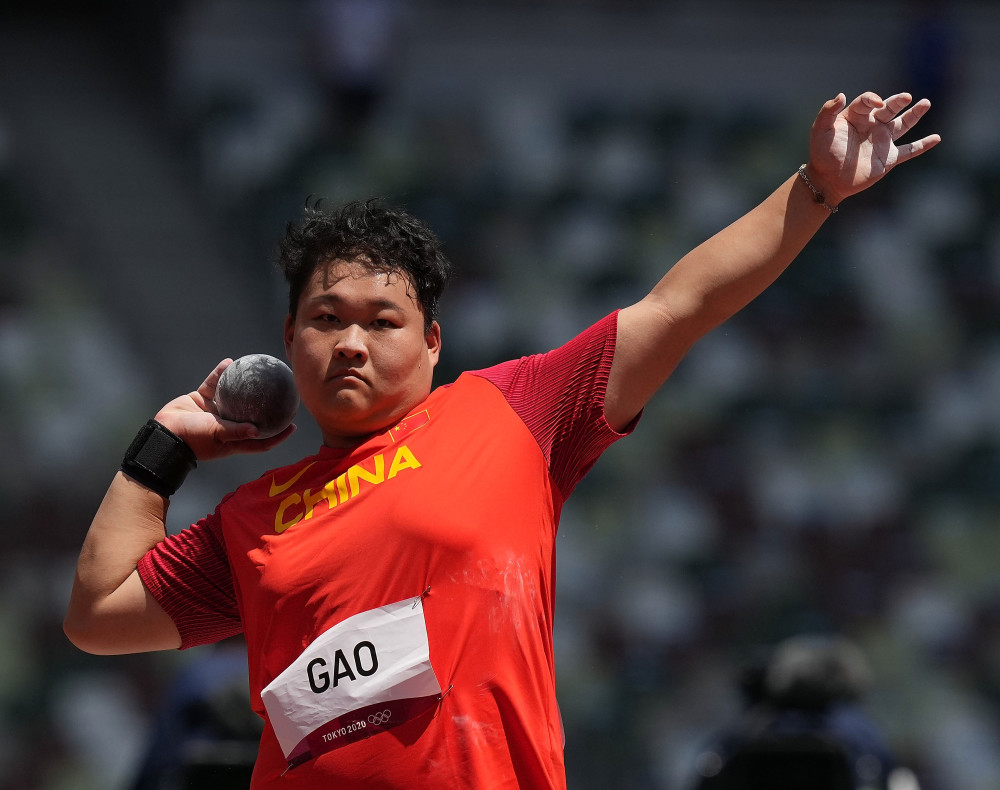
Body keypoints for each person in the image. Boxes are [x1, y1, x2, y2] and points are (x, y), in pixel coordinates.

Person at [63, 90, 939, 789]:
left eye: (383, 319)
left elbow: (679, 305)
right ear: (290, 340)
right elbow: (99, 617)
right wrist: (166, 446)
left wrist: (814, 190)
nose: (353, 342)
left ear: (433, 343)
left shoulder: (514, 410)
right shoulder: (257, 517)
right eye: (326, 319)